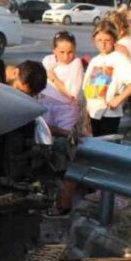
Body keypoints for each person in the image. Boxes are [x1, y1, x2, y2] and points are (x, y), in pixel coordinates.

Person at [41, 31, 84, 216]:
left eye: (70, 51)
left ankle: (64, 204)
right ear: (54, 51)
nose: (67, 56)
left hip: (66, 108)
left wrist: (54, 79)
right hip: (46, 104)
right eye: (62, 52)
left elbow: (71, 94)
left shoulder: (76, 64)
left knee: (64, 153)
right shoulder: (48, 61)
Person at [82, 20, 131, 136]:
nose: (103, 44)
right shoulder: (95, 61)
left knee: (105, 147)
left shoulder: (119, 58)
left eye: (107, 40)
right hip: (93, 113)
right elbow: (87, 89)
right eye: (99, 40)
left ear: (114, 40)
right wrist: (86, 113)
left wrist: (119, 98)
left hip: (108, 114)